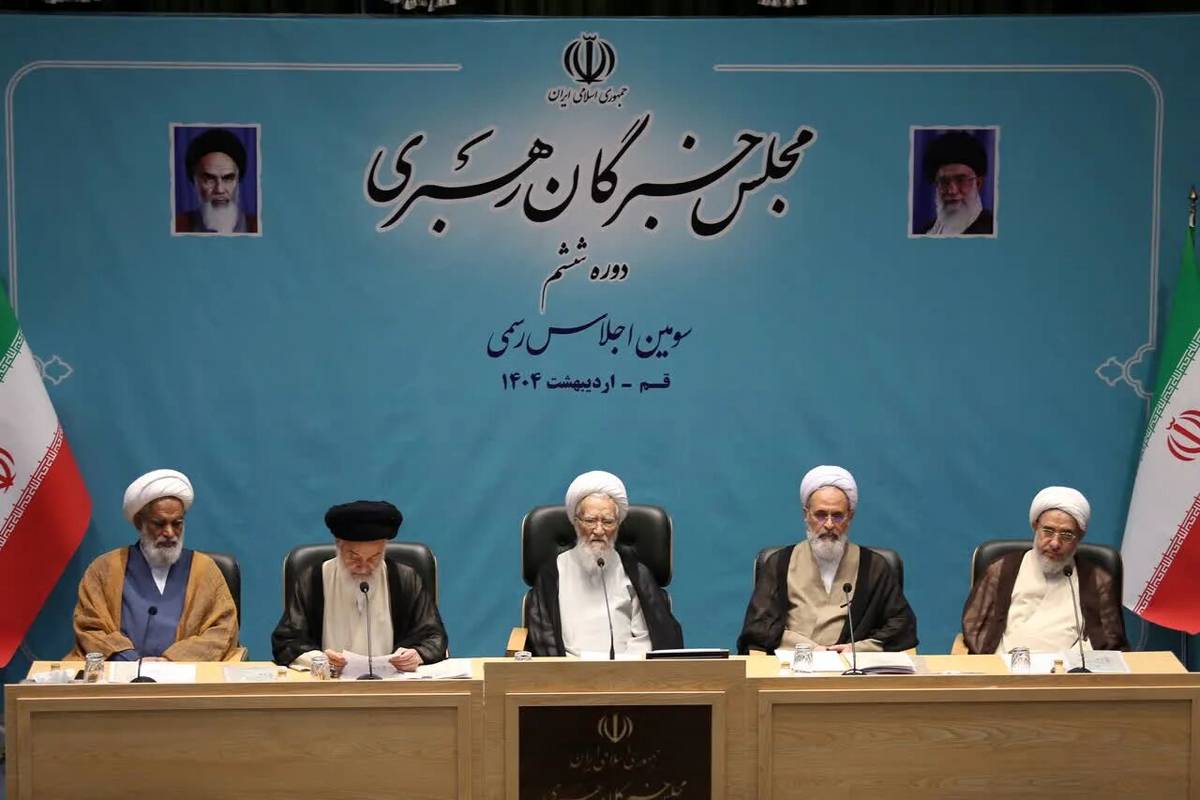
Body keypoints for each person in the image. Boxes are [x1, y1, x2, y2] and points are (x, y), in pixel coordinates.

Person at [737, 465, 917, 654]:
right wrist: (809, 648)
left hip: (853, 666)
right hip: (794, 663)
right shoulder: (779, 563)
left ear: (850, 517)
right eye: (821, 515)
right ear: (806, 515)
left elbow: (901, 628)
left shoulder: (875, 566)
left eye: (837, 516)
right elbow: (758, 628)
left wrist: (856, 649)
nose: (829, 524)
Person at [68, 469, 239, 661]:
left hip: (186, 675)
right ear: (139, 522)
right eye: (159, 524)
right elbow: (89, 627)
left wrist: (171, 661)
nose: (170, 532)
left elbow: (223, 631)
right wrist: (130, 660)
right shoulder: (105, 569)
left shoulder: (205, 570)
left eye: (177, 523)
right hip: (120, 674)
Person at [271, 500, 447, 672]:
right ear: (338, 546)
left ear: (384, 549)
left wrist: (416, 655)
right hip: (330, 684)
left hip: (393, 685)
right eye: (354, 557)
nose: (364, 567)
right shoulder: (313, 579)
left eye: (374, 558)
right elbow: (286, 641)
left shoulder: (405, 579)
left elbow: (434, 637)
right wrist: (320, 660)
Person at [525, 470, 684, 657]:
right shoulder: (552, 574)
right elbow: (543, 640)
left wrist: (623, 665)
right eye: (590, 520)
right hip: (567, 670)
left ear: (617, 525)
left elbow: (650, 638)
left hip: (628, 669)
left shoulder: (636, 574)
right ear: (575, 522)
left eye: (608, 522)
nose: (599, 530)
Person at [961, 486, 1128, 654]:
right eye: (1048, 531)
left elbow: (1110, 641)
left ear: (1080, 536)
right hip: (1008, 665)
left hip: (1070, 668)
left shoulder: (1097, 579)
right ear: (1035, 526)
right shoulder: (1001, 570)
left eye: (1066, 535)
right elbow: (976, 629)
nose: (1055, 543)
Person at [174, 128, 259, 234]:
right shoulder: (177, 226)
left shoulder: (258, 226)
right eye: (209, 179)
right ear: (194, 181)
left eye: (228, 178)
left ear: (238, 180)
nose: (219, 190)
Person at [916, 130, 994, 236]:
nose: (952, 190)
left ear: (978, 183)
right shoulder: (926, 232)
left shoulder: (992, 229)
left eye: (961, 180)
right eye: (944, 181)